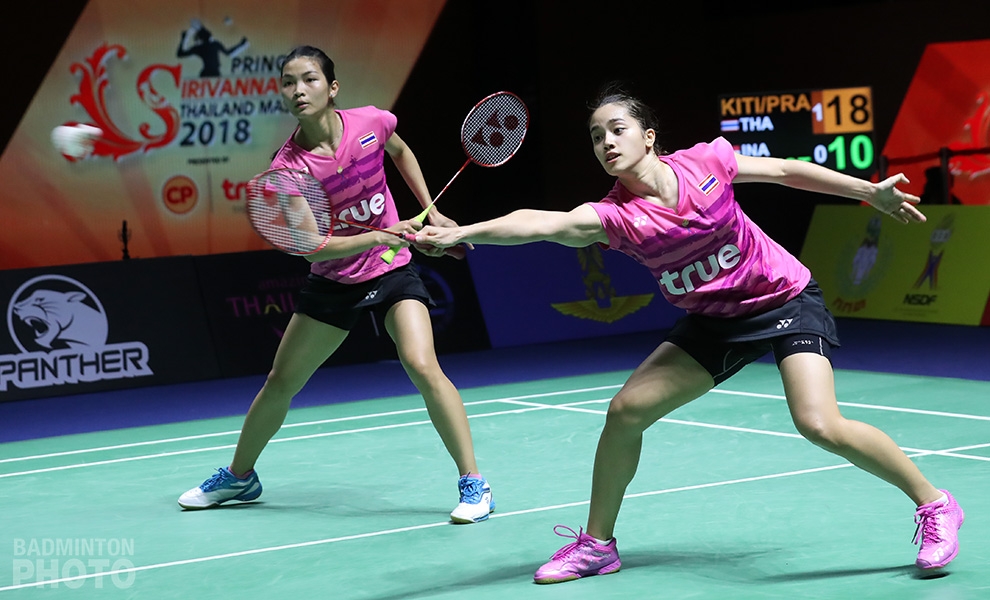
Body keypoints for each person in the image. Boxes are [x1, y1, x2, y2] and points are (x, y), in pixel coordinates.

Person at [414, 84, 964, 579]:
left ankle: (935, 503)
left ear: (649, 136)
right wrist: (464, 232)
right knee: (625, 412)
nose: (606, 142)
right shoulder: (615, 217)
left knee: (819, 423)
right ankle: (597, 545)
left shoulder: (706, 162)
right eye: (596, 136)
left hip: (784, 299)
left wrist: (869, 191)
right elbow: (541, 222)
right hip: (714, 321)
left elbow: (783, 171)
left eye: (617, 129)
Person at [178, 45, 494, 524]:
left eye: (309, 79)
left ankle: (474, 483)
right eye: (288, 83)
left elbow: (400, 150)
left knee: (422, 364)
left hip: (391, 269)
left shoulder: (370, 122)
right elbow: (314, 247)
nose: (298, 90)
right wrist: (383, 233)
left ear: (332, 87)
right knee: (280, 382)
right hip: (335, 280)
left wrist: (431, 210)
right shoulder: (288, 168)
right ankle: (240, 477)